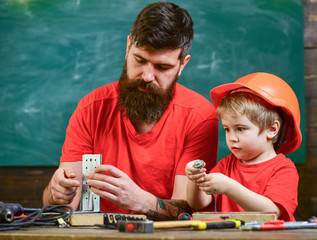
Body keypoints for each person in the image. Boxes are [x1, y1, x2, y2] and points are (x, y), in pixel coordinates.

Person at [42, 1, 218, 220]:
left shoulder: (199, 116)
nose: (147, 76)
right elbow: (64, 204)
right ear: (128, 47)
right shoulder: (91, 108)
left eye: (162, 67)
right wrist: (56, 192)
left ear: (182, 65)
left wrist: (140, 201)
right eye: (140, 60)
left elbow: (187, 210)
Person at [185, 72, 301, 221]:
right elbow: (199, 204)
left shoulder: (284, 169)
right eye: (227, 129)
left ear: (272, 130)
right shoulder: (227, 165)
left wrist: (229, 187)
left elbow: (271, 212)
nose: (231, 138)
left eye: (240, 129)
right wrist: (195, 179)